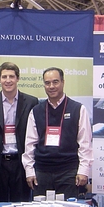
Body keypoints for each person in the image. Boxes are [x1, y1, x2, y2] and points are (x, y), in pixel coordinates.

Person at [22, 67, 92, 199]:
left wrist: (83, 171)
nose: (51, 86)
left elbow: (85, 143)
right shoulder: (36, 111)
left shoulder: (78, 109)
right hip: (42, 171)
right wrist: (29, 171)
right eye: (47, 83)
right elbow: (30, 144)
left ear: (63, 82)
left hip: (68, 171)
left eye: (55, 82)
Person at [0, 62, 38, 202]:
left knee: (21, 205)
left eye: (11, 76)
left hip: (21, 162)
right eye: (4, 77)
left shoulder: (31, 102)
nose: (8, 80)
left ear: (18, 78)